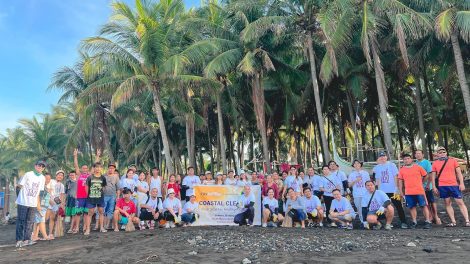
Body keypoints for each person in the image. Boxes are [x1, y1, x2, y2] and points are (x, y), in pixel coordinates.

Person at [431, 146, 470, 227]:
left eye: (443, 152)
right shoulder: (435, 163)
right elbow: (433, 176)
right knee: (447, 203)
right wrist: (434, 186)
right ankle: (453, 221)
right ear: (437, 154)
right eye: (440, 153)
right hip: (442, 185)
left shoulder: (453, 161)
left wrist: (461, 183)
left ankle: (467, 220)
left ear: (446, 153)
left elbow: (459, 173)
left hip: (453, 184)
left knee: (460, 202)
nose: (442, 154)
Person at [15, 160, 46, 248]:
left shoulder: (42, 178)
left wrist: (38, 204)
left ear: (43, 168)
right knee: (21, 221)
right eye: (39, 165)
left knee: (30, 222)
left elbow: (38, 193)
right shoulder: (28, 174)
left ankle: (27, 240)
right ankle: (19, 240)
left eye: (42, 166)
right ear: (35, 166)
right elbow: (19, 186)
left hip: (33, 204)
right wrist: (19, 198)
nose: (40, 167)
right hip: (23, 202)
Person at [373, 151, 408, 229]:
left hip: (393, 190)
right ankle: (384, 223)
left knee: (398, 206)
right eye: (380, 156)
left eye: (384, 156)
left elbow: (396, 176)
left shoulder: (391, 165)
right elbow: (377, 179)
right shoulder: (377, 167)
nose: (382, 158)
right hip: (382, 191)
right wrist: (378, 191)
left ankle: (404, 222)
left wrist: (397, 188)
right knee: (382, 207)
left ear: (386, 157)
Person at [398, 154, 432, 229]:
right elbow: (400, 181)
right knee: (411, 207)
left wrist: (422, 182)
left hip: (419, 191)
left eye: (408, 158)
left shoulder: (418, 167)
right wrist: (400, 191)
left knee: (423, 206)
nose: (407, 160)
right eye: (405, 159)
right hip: (408, 192)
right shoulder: (402, 170)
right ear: (403, 161)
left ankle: (427, 221)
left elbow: (426, 175)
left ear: (411, 159)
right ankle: (414, 222)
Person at [415, 150, 441, 225]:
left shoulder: (426, 162)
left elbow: (430, 174)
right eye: (416, 154)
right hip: (419, 187)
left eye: (419, 153)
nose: (418, 155)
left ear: (423, 155)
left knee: (431, 201)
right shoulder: (415, 164)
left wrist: (428, 185)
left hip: (427, 186)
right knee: (425, 203)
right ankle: (430, 216)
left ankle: (436, 216)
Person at [73, 149, 92, 233]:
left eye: (86, 168)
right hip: (79, 197)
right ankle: (77, 227)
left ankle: (85, 227)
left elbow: (94, 166)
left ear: (87, 169)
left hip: (87, 197)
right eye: (83, 168)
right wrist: (75, 156)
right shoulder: (79, 175)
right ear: (81, 169)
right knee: (78, 213)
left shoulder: (89, 175)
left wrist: (98, 156)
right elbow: (76, 166)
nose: (84, 169)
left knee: (86, 213)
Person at [85, 162, 107, 235]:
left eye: (99, 167)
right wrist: (88, 196)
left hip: (100, 198)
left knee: (101, 212)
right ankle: (88, 229)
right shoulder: (90, 177)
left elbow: (104, 187)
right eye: (96, 167)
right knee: (90, 213)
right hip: (91, 198)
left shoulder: (103, 177)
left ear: (101, 169)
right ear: (94, 168)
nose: (98, 169)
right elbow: (86, 187)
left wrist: (101, 194)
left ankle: (101, 228)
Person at [348, 159, 370, 224]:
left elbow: (369, 183)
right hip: (356, 194)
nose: (356, 164)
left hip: (365, 193)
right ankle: (363, 222)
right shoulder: (352, 174)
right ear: (353, 165)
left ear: (360, 164)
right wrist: (355, 180)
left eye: (358, 163)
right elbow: (349, 185)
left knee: (366, 207)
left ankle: (369, 220)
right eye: (355, 163)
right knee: (359, 209)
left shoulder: (365, 173)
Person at [45, 170, 65, 240]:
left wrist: (61, 205)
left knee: (52, 218)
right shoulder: (51, 181)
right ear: (56, 175)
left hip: (56, 203)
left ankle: (50, 234)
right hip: (48, 202)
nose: (60, 176)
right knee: (45, 218)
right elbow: (46, 189)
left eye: (62, 175)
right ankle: (36, 233)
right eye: (59, 175)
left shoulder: (62, 185)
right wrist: (49, 199)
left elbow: (61, 195)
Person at [32, 173, 52, 242]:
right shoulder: (41, 187)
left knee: (37, 222)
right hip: (40, 206)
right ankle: (45, 236)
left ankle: (35, 236)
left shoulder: (46, 187)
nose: (48, 180)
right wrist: (38, 206)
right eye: (46, 178)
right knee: (41, 221)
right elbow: (37, 196)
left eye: (49, 179)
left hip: (44, 207)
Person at [103, 164, 120, 230]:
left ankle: (107, 225)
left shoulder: (116, 176)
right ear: (108, 169)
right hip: (104, 195)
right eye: (110, 168)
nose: (111, 169)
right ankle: (103, 225)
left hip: (113, 196)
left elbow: (118, 188)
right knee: (103, 210)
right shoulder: (104, 176)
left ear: (114, 169)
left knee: (110, 210)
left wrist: (118, 197)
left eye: (112, 168)